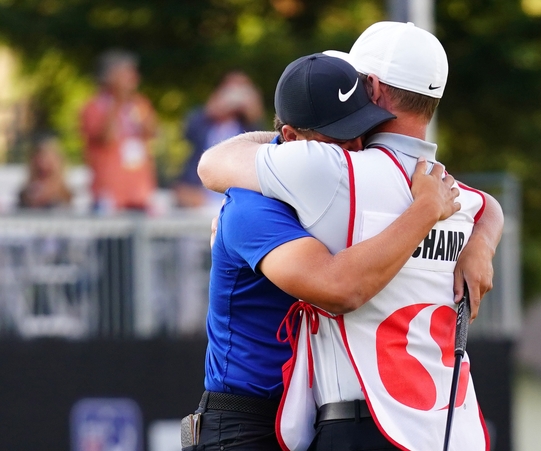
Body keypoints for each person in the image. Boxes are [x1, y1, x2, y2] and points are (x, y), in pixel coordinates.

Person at [198, 23, 503, 451]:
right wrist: (465, 231)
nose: (353, 142)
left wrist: (479, 238)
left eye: (359, 123)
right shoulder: (448, 196)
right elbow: (339, 286)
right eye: (339, 131)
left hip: (334, 421)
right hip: (256, 423)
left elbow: (214, 163)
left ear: (373, 89)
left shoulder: (344, 174)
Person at [80, 49, 157, 213]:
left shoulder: (139, 104)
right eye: (126, 74)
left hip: (139, 195)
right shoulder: (94, 107)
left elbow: (151, 132)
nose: (134, 79)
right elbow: (105, 137)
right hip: (108, 196)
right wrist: (117, 101)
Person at [174, 71, 264, 211]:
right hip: (197, 194)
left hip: (233, 197)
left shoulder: (249, 127)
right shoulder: (205, 120)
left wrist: (253, 111)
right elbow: (187, 132)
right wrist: (212, 110)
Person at [17, 133, 72, 210]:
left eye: (48, 161)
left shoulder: (66, 194)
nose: (43, 165)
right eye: (40, 160)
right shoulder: (24, 194)